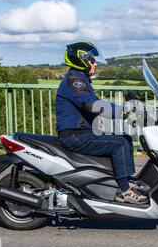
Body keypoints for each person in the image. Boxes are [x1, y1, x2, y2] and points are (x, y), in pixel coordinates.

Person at [56, 42, 147, 205]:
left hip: (82, 132)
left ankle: (124, 181)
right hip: (74, 135)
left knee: (125, 138)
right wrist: (123, 111)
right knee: (119, 143)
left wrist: (122, 108)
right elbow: (91, 105)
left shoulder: (80, 79)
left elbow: (97, 103)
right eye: (92, 60)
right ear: (81, 60)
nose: (95, 63)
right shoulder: (75, 81)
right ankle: (124, 191)